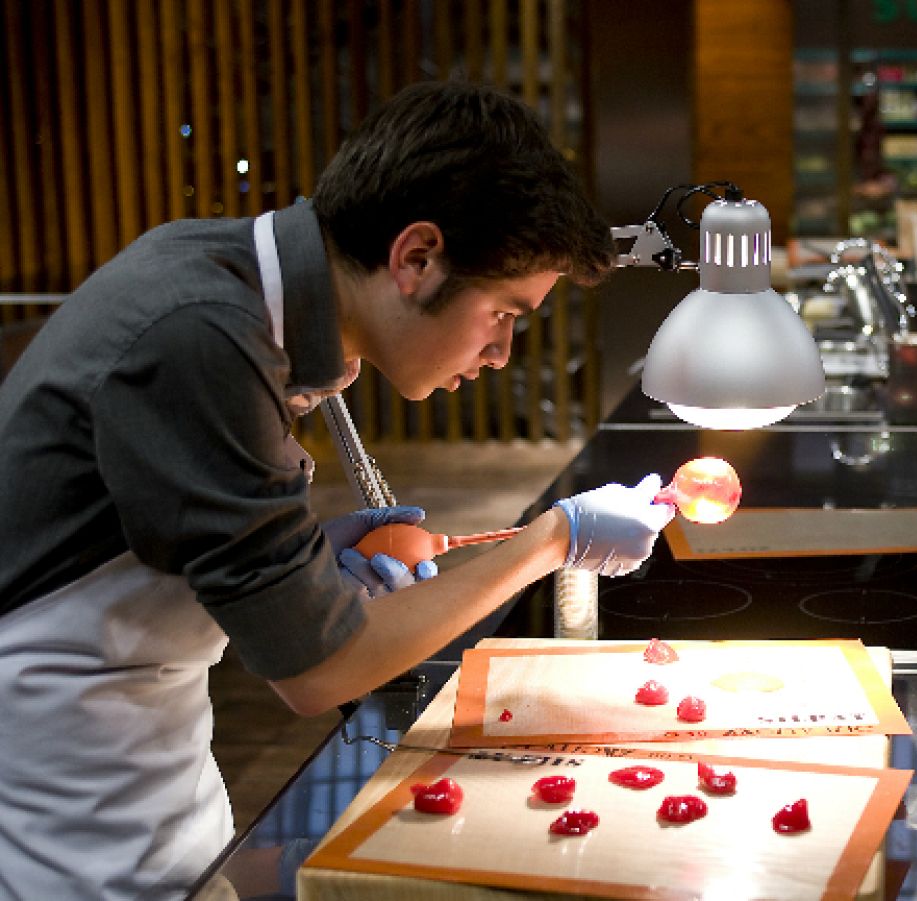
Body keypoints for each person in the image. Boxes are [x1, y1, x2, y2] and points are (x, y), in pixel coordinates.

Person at [0, 81, 674, 900]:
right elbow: (318, 673)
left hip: (148, 743)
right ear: (417, 258)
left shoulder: (238, 286)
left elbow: (146, 530)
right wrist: (551, 540)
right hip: (68, 785)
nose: (500, 352)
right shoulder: (204, 334)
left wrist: (307, 559)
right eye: (503, 312)